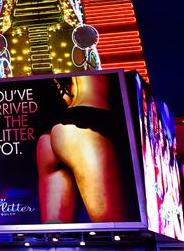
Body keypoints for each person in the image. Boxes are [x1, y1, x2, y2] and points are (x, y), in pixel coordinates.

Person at [36, 74, 130, 223]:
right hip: (91, 119)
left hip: (51, 135)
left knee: (55, 236)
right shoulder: (96, 59)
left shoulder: (59, 61)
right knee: (116, 229)